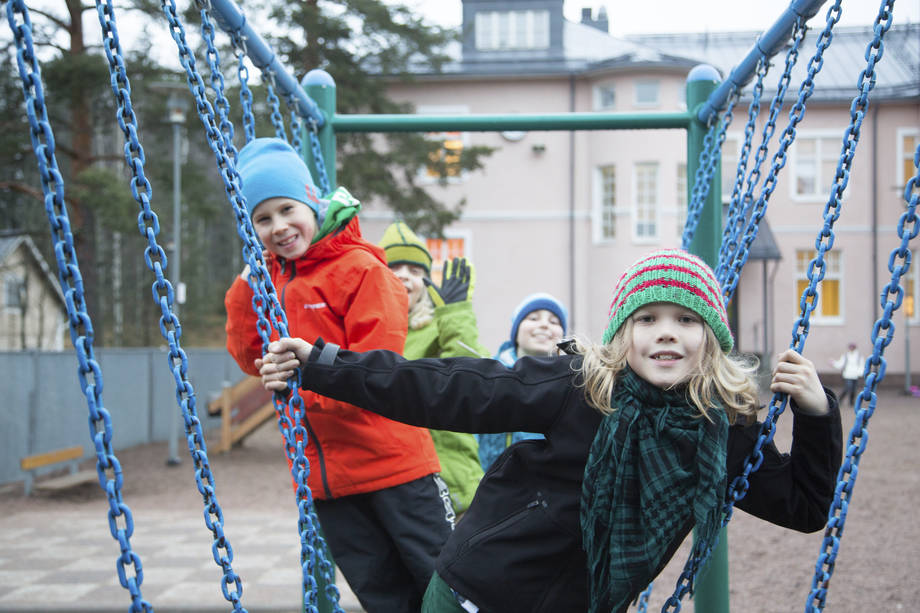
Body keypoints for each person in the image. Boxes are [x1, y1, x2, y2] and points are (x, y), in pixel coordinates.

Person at [258, 249, 843, 613]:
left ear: (711, 337)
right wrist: (326, 365)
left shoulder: (721, 430)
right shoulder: (579, 386)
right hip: (477, 593)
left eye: (686, 320)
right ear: (622, 334)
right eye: (648, 319)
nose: (667, 333)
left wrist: (817, 414)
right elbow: (447, 389)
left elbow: (802, 505)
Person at [223, 138, 452, 613]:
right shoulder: (269, 281)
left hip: (394, 465)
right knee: (381, 592)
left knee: (443, 582)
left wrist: (303, 382)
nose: (279, 227)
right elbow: (249, 356)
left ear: (311, 201)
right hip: (327, 479)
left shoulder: (361, 269)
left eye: (287, 209)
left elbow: (377, 367)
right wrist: (245, 287)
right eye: (262, 220)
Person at [378, 220, 488, 516]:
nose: (404, 277)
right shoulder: (368, 333)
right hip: (387, 485)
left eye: (415, 271)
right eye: (394, 269)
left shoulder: (442, 326)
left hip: (449, 481)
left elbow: (473, 379)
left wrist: (455, 315)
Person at [477, 293, 569, 470]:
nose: (544, 324)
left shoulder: (571, 385)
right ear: (516, 332)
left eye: (554, 322)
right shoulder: (489, 375)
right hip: (483, 484)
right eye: (533, 318)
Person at [831, 342, 863, 406]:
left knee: (854, 389)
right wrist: (834, 363)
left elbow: (861, 365)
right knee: (848, 387)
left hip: (855, 375)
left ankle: (851, 401)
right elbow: (840, 364)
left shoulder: (859, 356)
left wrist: (860, 373)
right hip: (847, 375)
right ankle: (840, 399)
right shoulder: (846, 356)